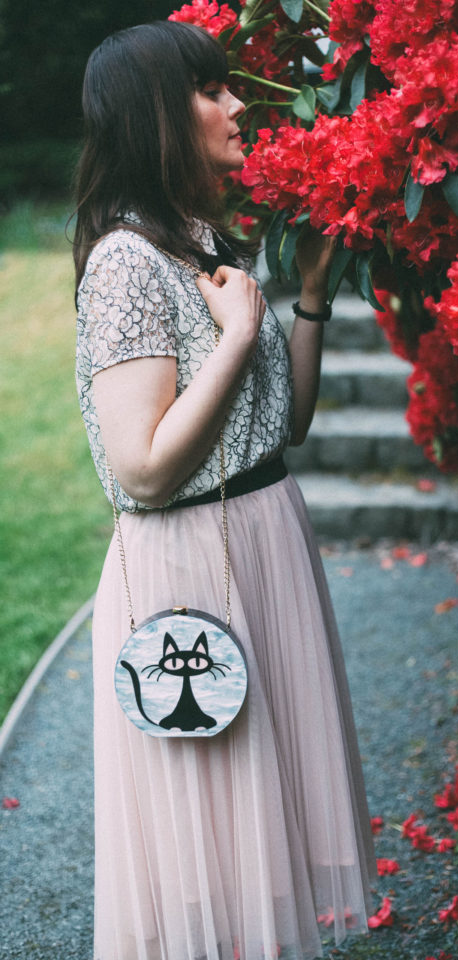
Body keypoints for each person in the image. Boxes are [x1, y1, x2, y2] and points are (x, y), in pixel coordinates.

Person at [73, 18, 376, 960]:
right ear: (161, 115)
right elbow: (144, 467)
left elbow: (280, 429)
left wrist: (311, 299)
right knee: (213, 833)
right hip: (191, 567)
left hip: (262, 536)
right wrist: (241, 334)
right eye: (212, 91)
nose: (239, 104)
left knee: (263, 825)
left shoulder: (204, 240)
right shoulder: (129, 261)